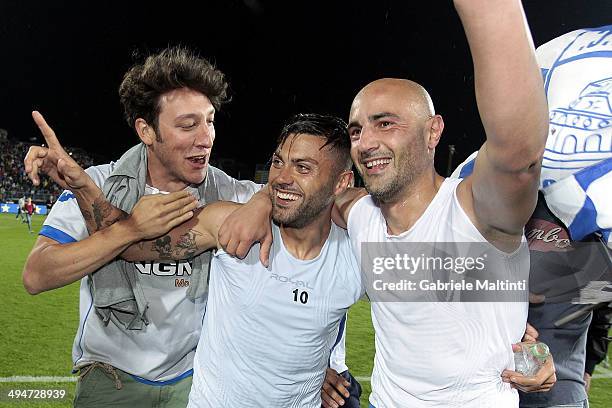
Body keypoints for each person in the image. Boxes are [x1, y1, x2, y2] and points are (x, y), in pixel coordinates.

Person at [218, 0, 557, 406]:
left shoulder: (477, 212)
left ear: (434, 132)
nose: (366, 142)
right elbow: (309, 193)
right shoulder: (359, 214)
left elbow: (518, 153)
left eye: (386, 123)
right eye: (357, 130)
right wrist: (261, 198)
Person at [50, 113, 364, 407]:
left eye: (303, 168)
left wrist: (320, 366)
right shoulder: (228, 223)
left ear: (341, 183)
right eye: (278, 162)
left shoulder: (354, 252)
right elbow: (132, 245)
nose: (282, 178)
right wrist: (84, 188)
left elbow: (410, 316)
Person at [22, 46, 261, 408]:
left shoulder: (228, 192)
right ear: (146, 130)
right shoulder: (99, 184)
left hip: (195, 377)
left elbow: (295, 201)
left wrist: (265, 201)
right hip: (113, 378)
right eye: (187, 124)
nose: (206, 138)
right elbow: (37, 275)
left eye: (209, 120)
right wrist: (130, 228)